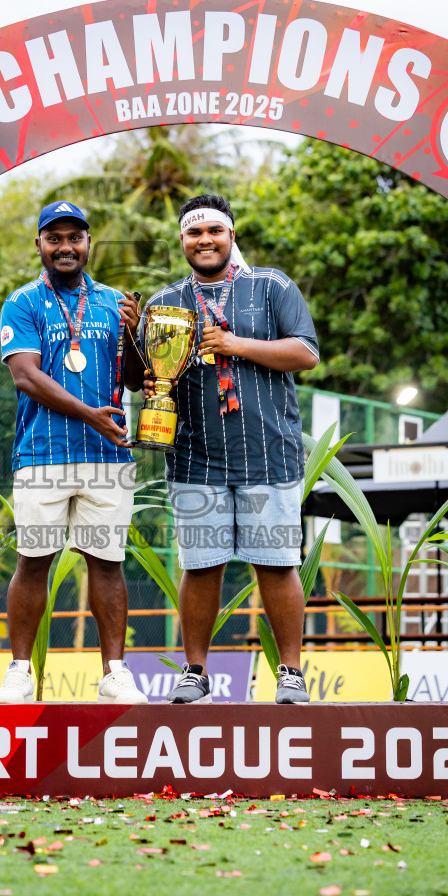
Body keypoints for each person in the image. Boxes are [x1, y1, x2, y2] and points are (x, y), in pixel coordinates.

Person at [142, 194, 319, 704]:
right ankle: (195, 672)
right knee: (200, 565)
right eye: (194, 234)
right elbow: (151, 376)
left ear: (231, 236)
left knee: (278, 563)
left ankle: (290, 673)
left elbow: (305, 353)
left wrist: (236, 344)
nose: (205, 241)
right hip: (196, 455)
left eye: (215, 232)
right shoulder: (164, 302)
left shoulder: (271, 285)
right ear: (182, 241)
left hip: (269, 450)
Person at [0, 199, 148, 705]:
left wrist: (135, 335)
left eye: (74, 238)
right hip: (43, 453)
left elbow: (132, 380)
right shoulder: (22, 302)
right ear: (38, 244)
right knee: (34, 560)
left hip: (108, 457)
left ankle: (115, 673)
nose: (65, 247)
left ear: (88, 243)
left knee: (107, 562)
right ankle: (19, 670)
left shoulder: (114, 303)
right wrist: (92, 416)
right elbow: (26, 376)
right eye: (54, 238)